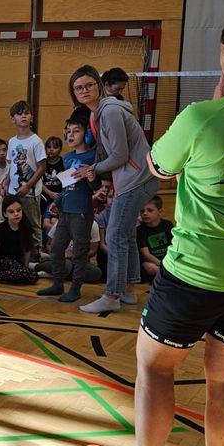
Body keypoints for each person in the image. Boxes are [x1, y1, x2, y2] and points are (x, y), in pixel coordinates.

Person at [93, 5, 224, 446]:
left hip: (195, 272)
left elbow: (157, 166)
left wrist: (215, 109)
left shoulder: (201, 118)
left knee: (155, 367)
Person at [70, 65, 159, 313]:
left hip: (137, 179)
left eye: (89, 85)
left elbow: (119, 155)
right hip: (132, 178)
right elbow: (109, 154)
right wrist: (98, 173)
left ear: (99, 86)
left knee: (115, 235)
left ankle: (112, 295)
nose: (84, 90)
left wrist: (93, 169)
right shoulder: (96, 114)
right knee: (126, 233)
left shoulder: (109, 112)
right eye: (78, 88)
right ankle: (128, 289)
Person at [36, 116, 98, 302]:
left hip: (81, 212)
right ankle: (57, 283)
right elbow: (67, 186)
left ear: (87, 134)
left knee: (79, 251)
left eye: (76, 131)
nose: (71, 135)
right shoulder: (68, 158)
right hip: (65, 211)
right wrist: (57, 202)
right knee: (56, 249)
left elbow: (95, 188)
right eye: (68, 131)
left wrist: (91, 177)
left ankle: (76, 288)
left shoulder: (93, 156)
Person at [6, 100, 46, 258]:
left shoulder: (36, 141)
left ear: (32, 118)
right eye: (19, 114)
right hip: (13, 191)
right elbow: (12, 165)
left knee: (33, 223)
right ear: (13, 119)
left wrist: (28, 186)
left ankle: (37, 254)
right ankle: (18, 253)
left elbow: (41, 168)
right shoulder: (12, 141)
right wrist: (6, 182)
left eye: (26, 113)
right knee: (14, 222)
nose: (23, 116)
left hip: (29, 192)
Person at [0, 196, 38, 285]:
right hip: (1, 262)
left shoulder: (26, 226)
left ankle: (1, 276)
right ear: (5, 214)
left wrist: (25, 267)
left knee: (32, 276)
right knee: (29, 275)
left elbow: (27, 249)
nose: (16, 214)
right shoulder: (1, 229)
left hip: (16, 263)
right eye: (11, 212)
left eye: (18, 210)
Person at [137, 195, 174, 280]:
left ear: (160, 212)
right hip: (152, 261)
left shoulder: (167, 225)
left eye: (150, 210)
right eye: (142, 211)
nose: (145, 213)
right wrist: (163, 265)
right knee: (150, 267)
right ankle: (168, 276)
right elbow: (146, 255)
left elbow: (174, 245)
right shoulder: (140, 230)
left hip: (167, 259)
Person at [40, 135, 65, 217]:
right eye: (49, 147)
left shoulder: (64, 163)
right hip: (45, 194)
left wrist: (60, 195)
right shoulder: (42, 163)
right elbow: (39, 182)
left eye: (55, 147)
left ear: (60, 149)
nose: (51, 149)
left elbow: (67, 183)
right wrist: (50, 193)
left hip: (60, 194)